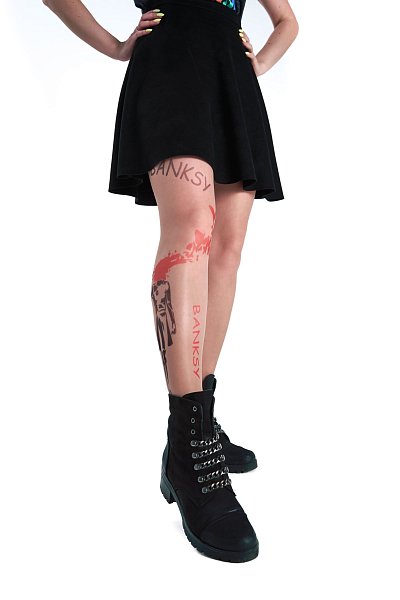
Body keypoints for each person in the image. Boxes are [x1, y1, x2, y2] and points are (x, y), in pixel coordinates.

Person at [43, 0, 299, 562]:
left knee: (228, 248)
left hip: (230, 76)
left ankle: (197, 424)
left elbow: (287, 21)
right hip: (171, 64)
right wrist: (116, 46)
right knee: (192, 231)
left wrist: (256, 63)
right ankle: (190, 452)